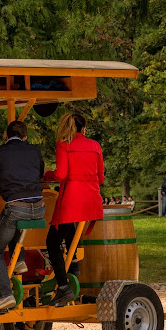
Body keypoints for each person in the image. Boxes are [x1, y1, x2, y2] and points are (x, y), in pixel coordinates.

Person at [0, 120, 45, 315]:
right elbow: (40, 173)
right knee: (13, 224)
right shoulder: (34, 151)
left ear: (6, 135)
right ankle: (19, 260)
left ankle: (5, 295)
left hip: (17, 207)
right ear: (25, 136)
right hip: (39, 207)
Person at [43, 113, 104, 306]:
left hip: (72, 199)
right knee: (71, 232)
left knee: (52, 242)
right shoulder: (95, 146)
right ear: (84, 129)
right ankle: (74, 266)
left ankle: (63, 287)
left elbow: (61, 174)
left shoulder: (63, 144)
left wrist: (47, 175)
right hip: (92, 199)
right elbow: (101, 178)